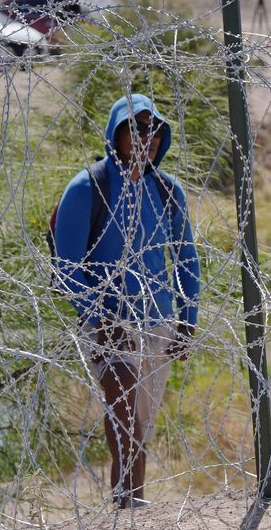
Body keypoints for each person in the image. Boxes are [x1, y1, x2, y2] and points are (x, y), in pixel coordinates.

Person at [55, 94, 201, 509]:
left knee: (142, 421)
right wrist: (100, 317)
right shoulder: (89, 188)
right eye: (136, 128)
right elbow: (66, 267)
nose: (146, 138)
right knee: (123, 410)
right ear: (116, 132)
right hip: (108, 324)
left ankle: (130, 505)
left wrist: (187, 319)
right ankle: (128, 505)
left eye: (153, 129)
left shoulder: (167, 191)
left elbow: (185, 259)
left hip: (157, 321)